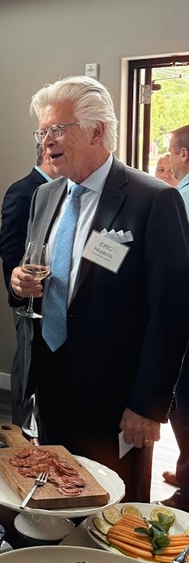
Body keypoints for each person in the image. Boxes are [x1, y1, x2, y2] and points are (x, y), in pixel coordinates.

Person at [10, 76, 189, 503]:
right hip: (51, 385)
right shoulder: (44, 196)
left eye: (58, 129)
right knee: (56, 501)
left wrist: (147, 406)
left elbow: (173, 311)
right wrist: (20, 284)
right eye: (42, 131)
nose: (46, 141)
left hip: (116, 400)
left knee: (113, 513)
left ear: (97, 131)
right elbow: (45, 274)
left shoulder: (153, 200)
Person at [0, 145, 56, 434]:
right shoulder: (22, 191)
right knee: (26, 365)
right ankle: (20, 432)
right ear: (46, 154)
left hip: (53, 302)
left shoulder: (63, 192)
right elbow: (10, 252)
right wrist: (19, 294)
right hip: (26, 299)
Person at [160, 124, 189, 510]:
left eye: (171, 151)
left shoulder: (179, 199)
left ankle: (187, 493)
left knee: (184, 406)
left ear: (183, 154)